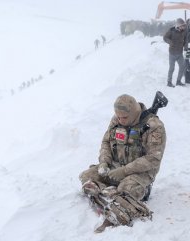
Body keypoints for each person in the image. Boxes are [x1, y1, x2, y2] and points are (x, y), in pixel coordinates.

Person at [79, 94, 166, 233]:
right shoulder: (118, 118)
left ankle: (116, 199)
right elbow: (106, 142)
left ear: (134, 113)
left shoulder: (154, 127)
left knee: (127, 189)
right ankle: (115, 197)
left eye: (124, 117)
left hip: (139, 173)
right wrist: (104, 163)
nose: (120, 120)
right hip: (115, 166)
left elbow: (153, 159)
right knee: (87, 175)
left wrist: (125, 171)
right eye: (118, 116)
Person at [163, 18, 187, 87]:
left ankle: (178, 81)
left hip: (180, 53)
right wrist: (170, 42)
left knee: (182, 66)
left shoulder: (184, 31)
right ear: (178, 25)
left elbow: (185, 39)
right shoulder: (171, 30)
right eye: (182, 25)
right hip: (172, 53)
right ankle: (169, 82)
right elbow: (165, 37)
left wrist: (185, 46)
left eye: (184, 26)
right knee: (172, 68)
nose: (184, 27)